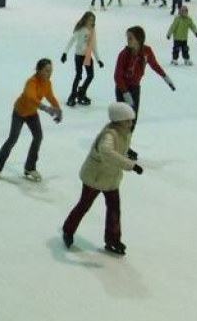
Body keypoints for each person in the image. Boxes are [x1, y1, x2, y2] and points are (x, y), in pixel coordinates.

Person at [61, 102, 143, 256]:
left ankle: (113, 240)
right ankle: (68, 230)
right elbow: (107, 152)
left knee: (114, 209)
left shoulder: (124, 133)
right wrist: (131, 165)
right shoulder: (109, 135)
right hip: (95, 177)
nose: (131, 123)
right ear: (118, 120)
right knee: (84, 205)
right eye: (128, 120)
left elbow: (119, 151)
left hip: (111, 177)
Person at [0, 59, 62, 181]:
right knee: (13, 139)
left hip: (32, 114)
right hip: (19, 112)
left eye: (51, 70)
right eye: (46, 70)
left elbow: (50, 96)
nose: (49, 73)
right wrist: (46, 108)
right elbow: (31, 98)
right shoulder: (31, 82)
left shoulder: (47, 83)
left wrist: (58, 109)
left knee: (38, 137)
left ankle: (30, 167)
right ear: (39, 70)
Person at [113, 25, 174, 159]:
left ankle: (124, 145)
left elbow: (154, 65)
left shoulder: (146, 51)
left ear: (139, 39)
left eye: (131, 38)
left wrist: (165, 77)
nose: (128, 40)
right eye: (127, 37)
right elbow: (117, 76)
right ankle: (119, 145)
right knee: (124, 119)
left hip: (135, 88)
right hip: (123, 89)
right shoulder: (124, 54)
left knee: (132, 120)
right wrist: (125, 93)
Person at [61, 11, 104, 107]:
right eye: (89, 20)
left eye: (92, 20)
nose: (91, 22)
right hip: (79, 55)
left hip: (87, 55)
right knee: (78, 75)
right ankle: (72, 96)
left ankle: (81, 92)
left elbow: (94, 45)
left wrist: (98, 60)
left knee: (90, 75)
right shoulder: (81, 30)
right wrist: (65, 53)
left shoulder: (93, 31)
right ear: (85, 20)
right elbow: (71, 41)